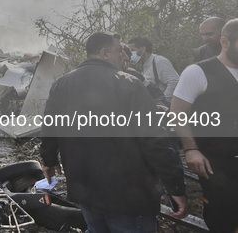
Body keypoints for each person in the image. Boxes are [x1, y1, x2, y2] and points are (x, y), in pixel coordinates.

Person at [40, 32, 188, 232]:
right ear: (105, 53)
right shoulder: (128, 84)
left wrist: (49, 160)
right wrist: (175, 187)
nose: (124, 56)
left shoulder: (60, 84)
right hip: (128, 194)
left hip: (84, 187)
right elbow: (154, 140)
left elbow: (50, 126)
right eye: (119, 50)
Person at [171, 19, 238, 232]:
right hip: (216, 161)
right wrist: (191, 149)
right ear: (225, 41)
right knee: (223, 217)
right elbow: (178, 113)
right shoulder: (198, 72)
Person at [127, 37, 179, 103]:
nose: (131, 54)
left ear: (143, 49)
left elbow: (174, 81)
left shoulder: (159, 61)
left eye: (132, 50)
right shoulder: (144, 65)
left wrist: (163, 102)